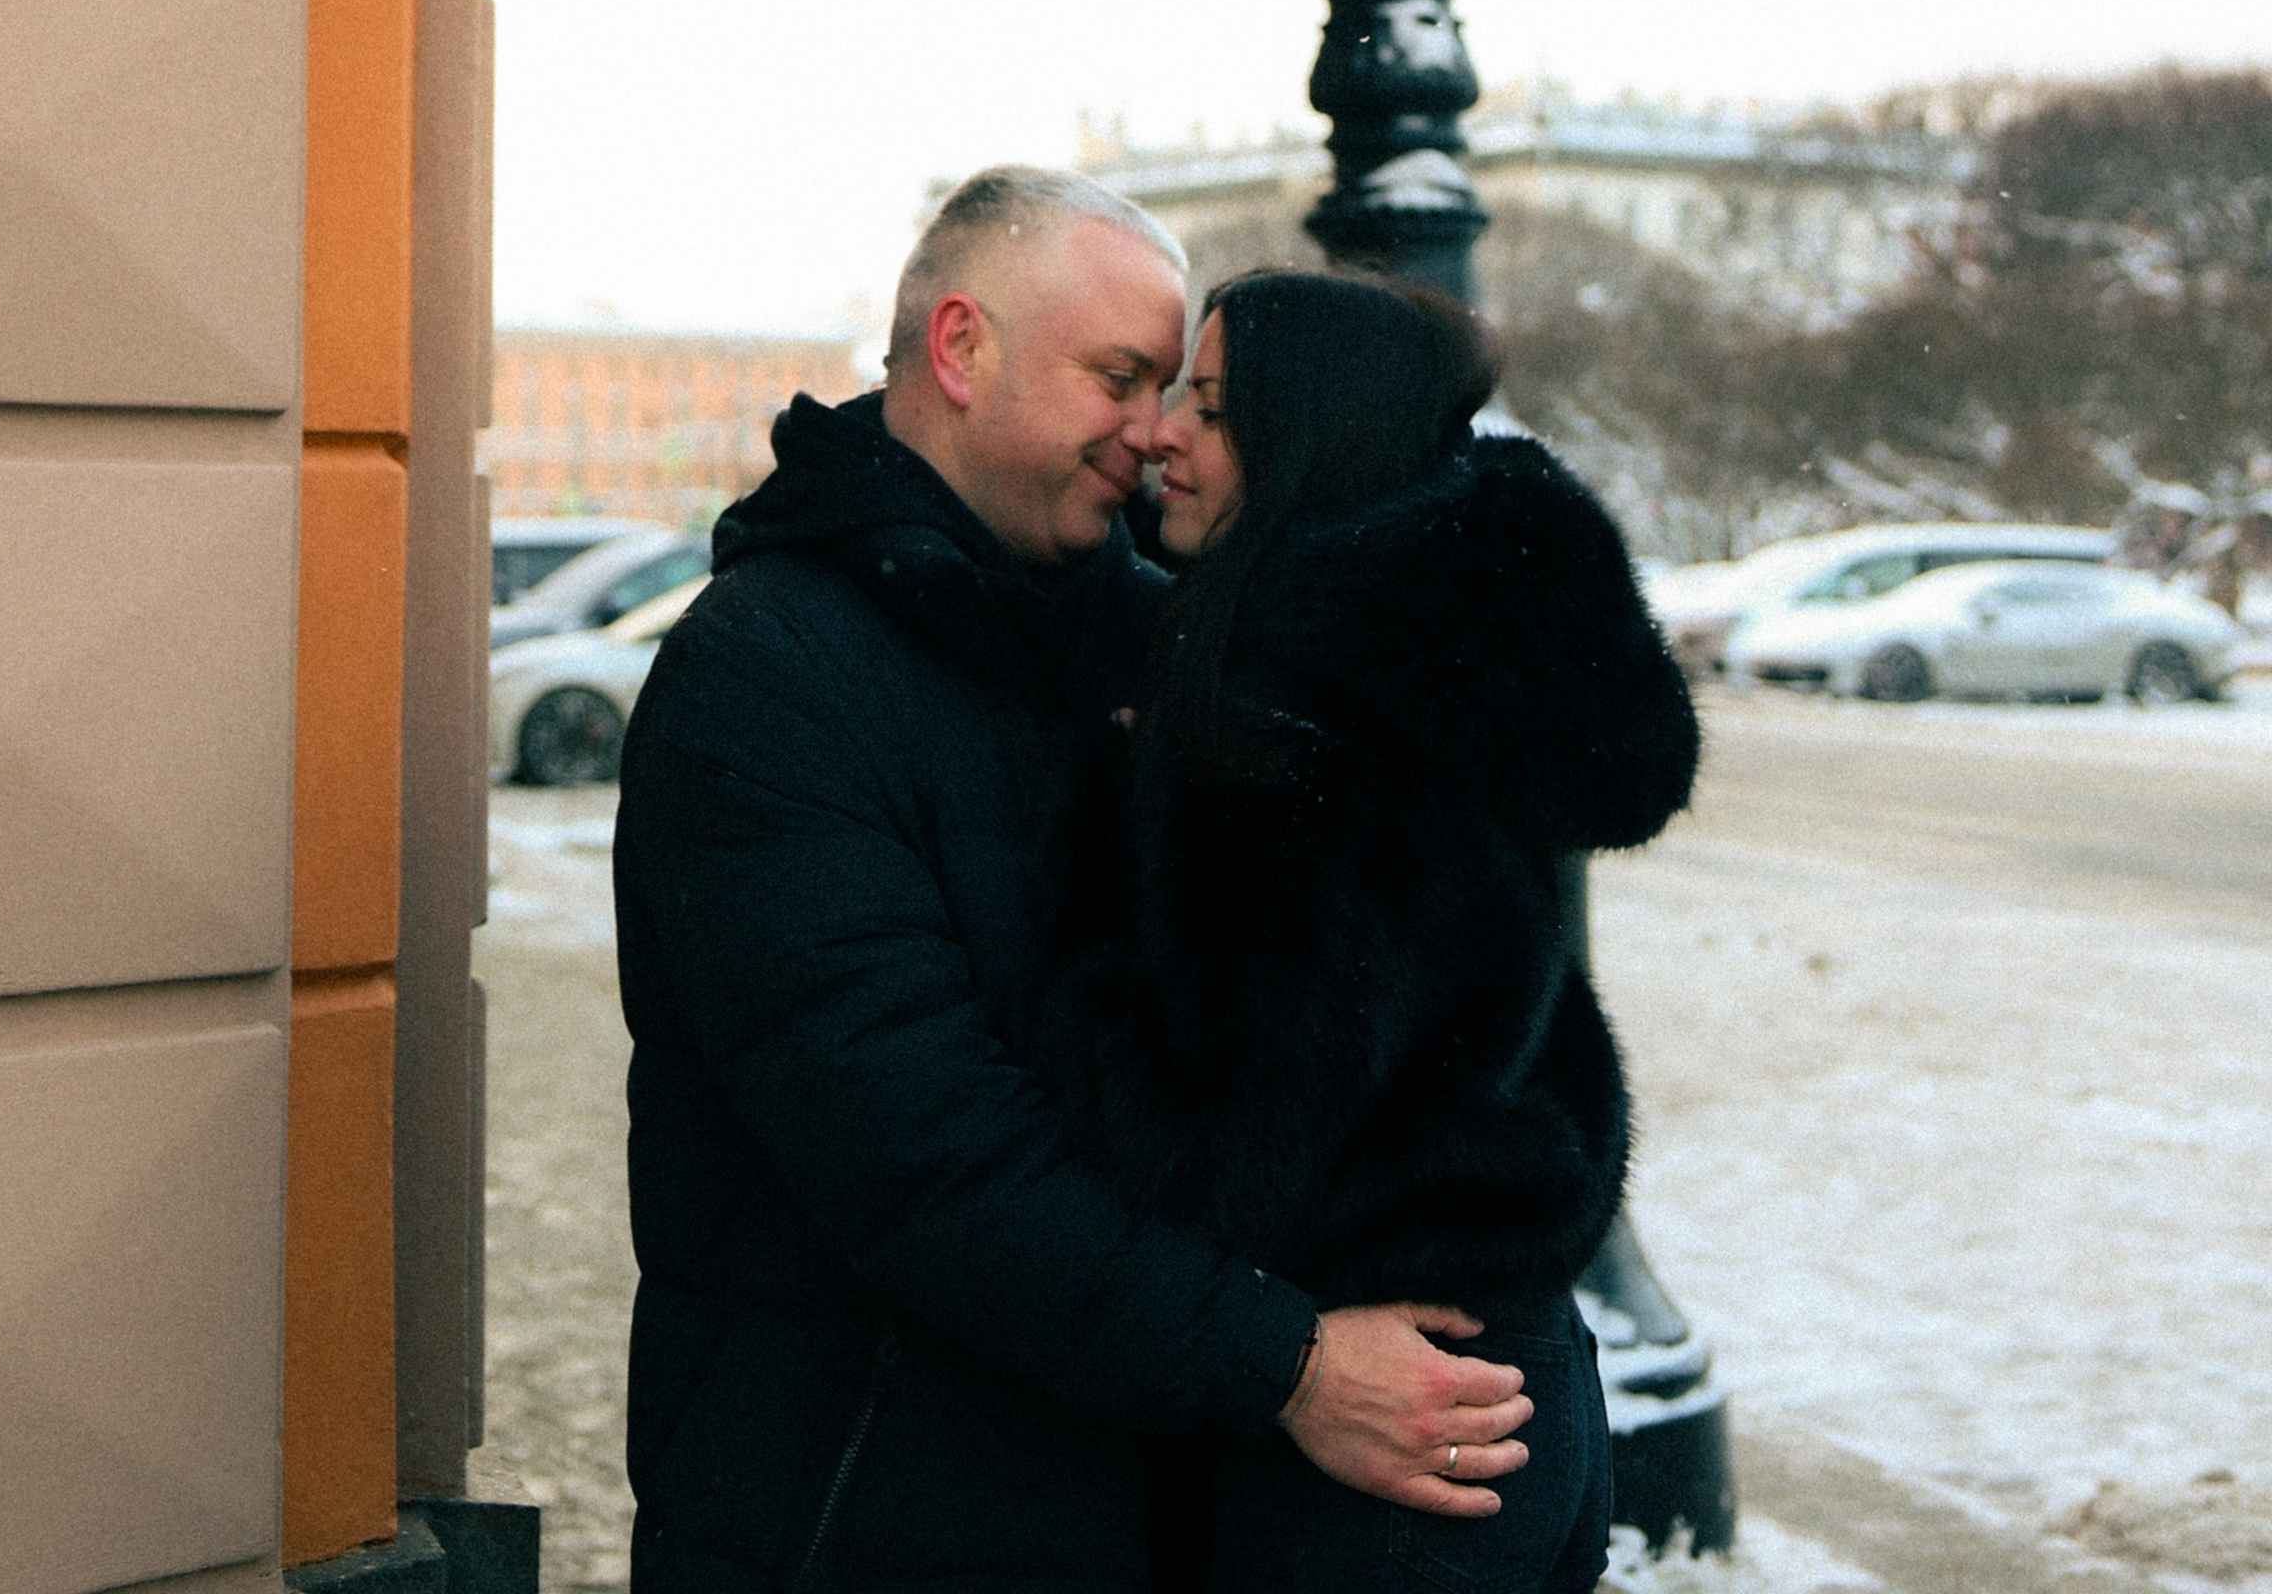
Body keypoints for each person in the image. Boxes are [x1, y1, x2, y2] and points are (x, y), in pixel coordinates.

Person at [613, 171, 1541, 1594]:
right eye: (1120, 378)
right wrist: (1280, 1362)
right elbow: (923, 1154)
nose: (1155, 432)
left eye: (1180, 392)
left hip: (1135, 1509)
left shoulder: (1165, 646)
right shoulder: (766, 676)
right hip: (849, 1521)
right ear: (962, 347)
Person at [1051, 269, 1701, 1592]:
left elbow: (1232, 1144)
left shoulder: (1287, 728)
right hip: (1512, 1364)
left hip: (1382, 1430)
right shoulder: (1440, 673)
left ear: (1315, 444)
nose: (1165, 432)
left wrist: (1074, 889)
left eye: (1216, 410)